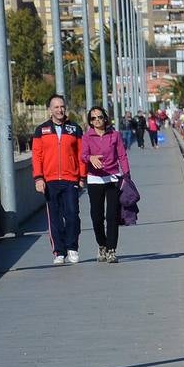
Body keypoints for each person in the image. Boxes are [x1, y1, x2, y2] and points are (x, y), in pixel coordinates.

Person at [31, 94, 86, 265]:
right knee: (54, 217)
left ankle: (72, 248)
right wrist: (38, 178)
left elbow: (81, 155)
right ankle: (59, 251)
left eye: (62, 106)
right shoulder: (41, 131)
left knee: (72, 215)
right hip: (50, 180)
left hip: (71, 179)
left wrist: (82, 177)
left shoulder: (74, 129)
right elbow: (36, 156)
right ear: (50, 110)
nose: (60, 110)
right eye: (56, 107)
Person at [80, 106, 131, 263]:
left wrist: (126, 175)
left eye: (100, 117)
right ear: (90, 121)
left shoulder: (114, 135)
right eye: (94, 118)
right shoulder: (87, 137)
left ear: (105, 118)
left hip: (112, 179)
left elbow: (122, 155)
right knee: (96, 217)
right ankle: (102, 244)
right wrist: (90, 158)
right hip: (95, 180)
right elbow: (83, 155)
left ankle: (111, 250)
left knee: (112, 216)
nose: (97, 120)